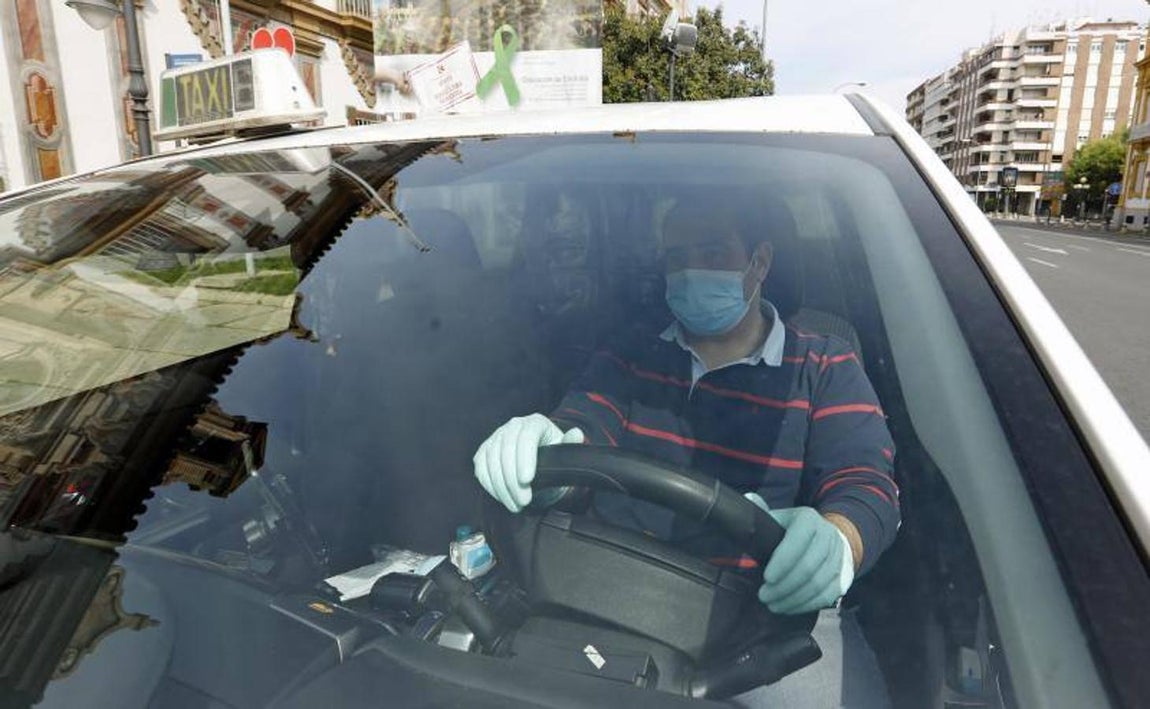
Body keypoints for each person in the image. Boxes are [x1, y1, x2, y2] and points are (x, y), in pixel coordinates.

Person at [473, 199, 900, 707]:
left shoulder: (825, 365)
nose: (692, 272)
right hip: (610, 587)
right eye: (677, 258)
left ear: (760, 262)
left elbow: (866, 483)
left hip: (767, 612)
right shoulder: (632, 352)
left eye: (713, 253)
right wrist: (542, 453)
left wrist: (838, 542)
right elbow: (582, 430)